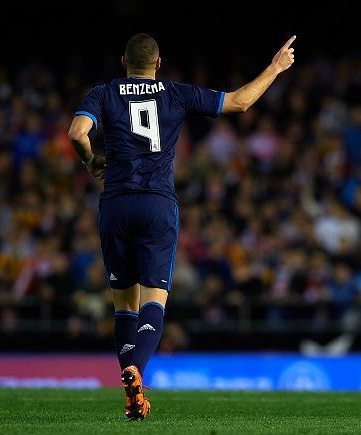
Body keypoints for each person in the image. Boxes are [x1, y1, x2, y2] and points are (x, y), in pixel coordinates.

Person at [68, 33, 296, 420]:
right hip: (157, 204)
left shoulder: (104, 92)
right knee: (154, 299)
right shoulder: (175, 93)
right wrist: (274, 68)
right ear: (159, 64)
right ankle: (135, 371)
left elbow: (76, 134)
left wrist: (90, 162)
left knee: (124, 303)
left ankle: (129, 380)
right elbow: (239, 102)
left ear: (123, 61)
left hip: (116, 203)